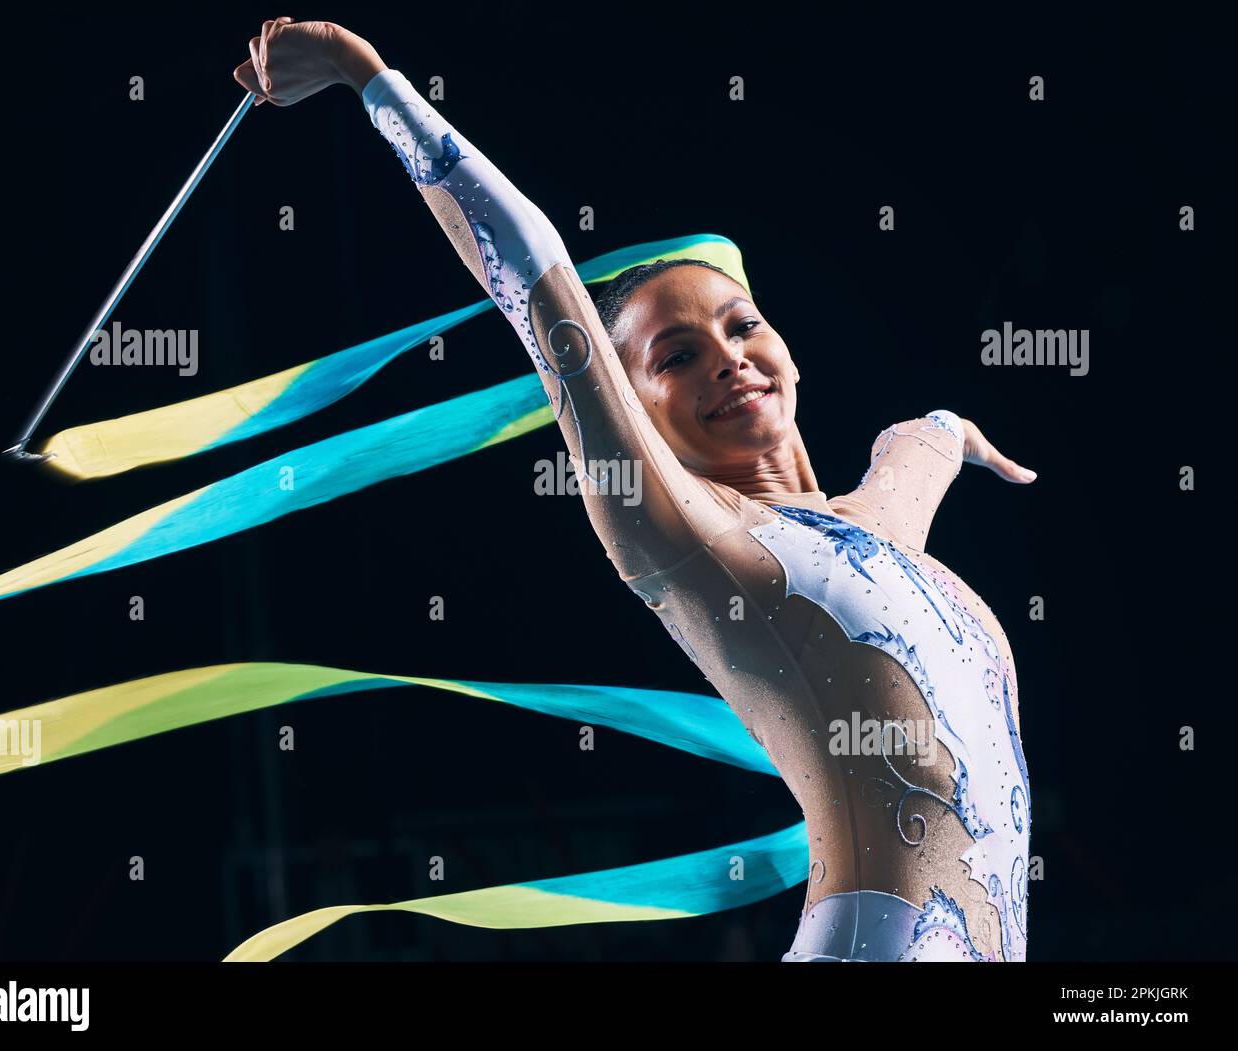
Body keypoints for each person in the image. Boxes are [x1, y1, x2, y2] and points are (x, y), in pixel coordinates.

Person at [233, 17, 1035, 962]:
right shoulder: (689, 536)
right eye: (679, 357)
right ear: (633, 416)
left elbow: (913, 451)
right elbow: (536, 282)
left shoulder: (880, 524)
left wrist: (949, 432)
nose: (730, 361)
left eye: (743, 327)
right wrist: (369, 81)